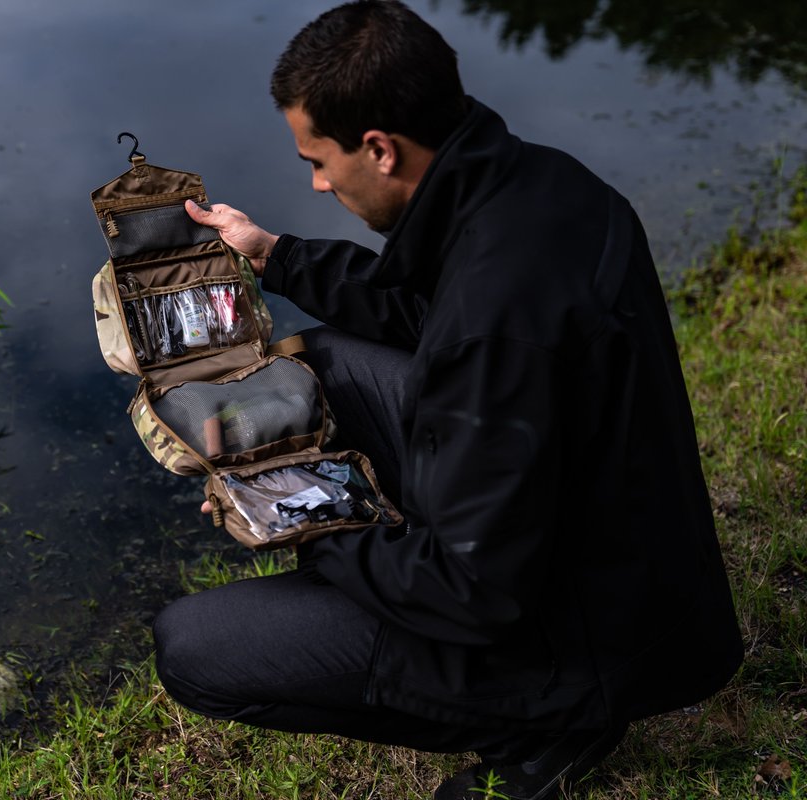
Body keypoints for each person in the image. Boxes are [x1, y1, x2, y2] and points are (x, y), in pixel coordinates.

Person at [150, 2, 745, 799]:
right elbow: (424, 309)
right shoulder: (545, 184)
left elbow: (473, 594)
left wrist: (299, 519)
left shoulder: (493, 332)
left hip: (590, 636)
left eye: (318, 161)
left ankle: (545, 728)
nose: (319, 184)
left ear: (380, 149)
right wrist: (275, 256)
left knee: (193, 647)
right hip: (628, 555)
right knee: (325, 362)